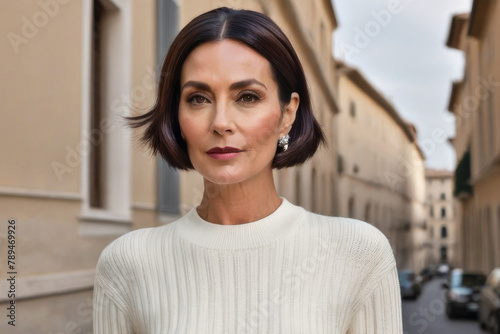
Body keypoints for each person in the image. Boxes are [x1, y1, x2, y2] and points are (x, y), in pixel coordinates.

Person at [93, 7, 403, 333]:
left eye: (247, 96)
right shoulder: (127, 263)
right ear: (177, 117)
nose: (221, 123)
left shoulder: (359, 253)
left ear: (287, 114)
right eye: (198, 98)